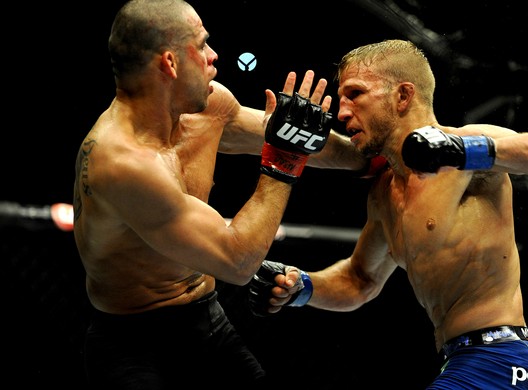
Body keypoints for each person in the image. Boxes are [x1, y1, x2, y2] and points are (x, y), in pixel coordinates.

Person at [247, 39, 528, 389]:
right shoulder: (384, 195)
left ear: (402, 96)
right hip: (462, 363)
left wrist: (464, 151)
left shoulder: (466, 147)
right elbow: (359, 281)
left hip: (506, 364)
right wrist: (302, 286)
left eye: (355, 94)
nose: (342, 112)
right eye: (341, 99)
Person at [72, 0, 369, 388]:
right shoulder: (124, 163)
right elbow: (238, 261)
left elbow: (295, 137)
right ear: (170, 63)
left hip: (208, 322)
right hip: (132, 345)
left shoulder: (209, 105)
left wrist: (377, 159)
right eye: (203, 43)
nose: (214, 55)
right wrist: (283, 162)